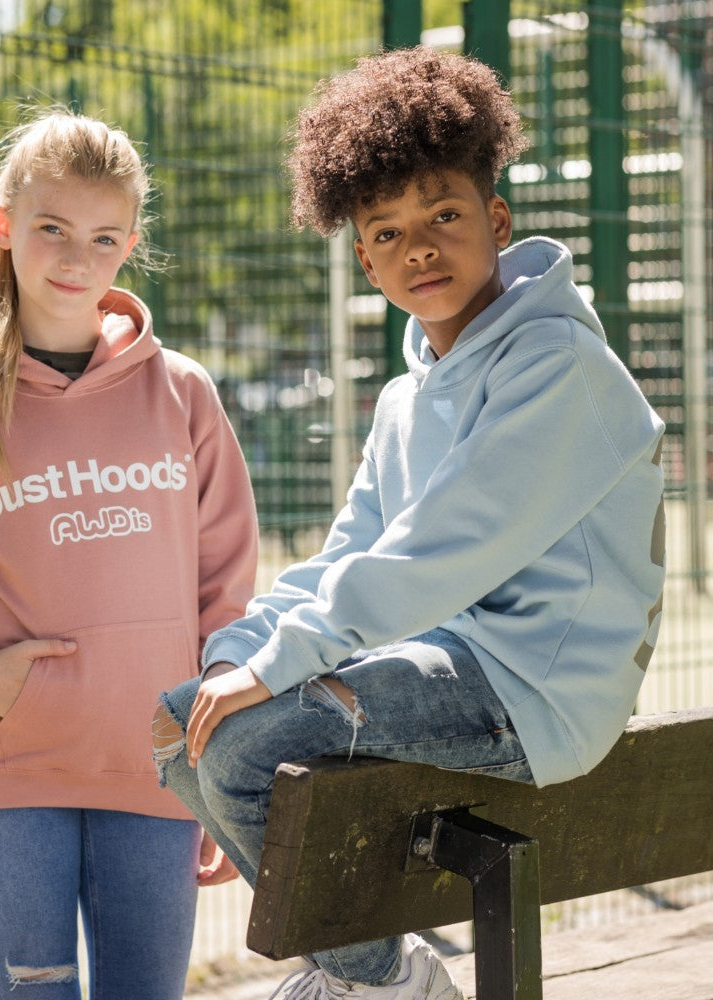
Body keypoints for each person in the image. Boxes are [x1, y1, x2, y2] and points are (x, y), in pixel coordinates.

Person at [153, 46, 666, 1000]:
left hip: (539, 690)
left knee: (245, 743)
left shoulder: (559, 368)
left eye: (443, 216)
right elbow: (352, 551)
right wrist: (241, 651)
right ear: (364, 258)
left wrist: (284, 662)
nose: (418, 248)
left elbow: (441, 555)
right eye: (386, 232)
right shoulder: (404, 398)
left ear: (496, 221)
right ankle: (372, 974)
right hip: (452, 665)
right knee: (179, 723)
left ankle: (381, 984)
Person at [0, 108, 258, 1000]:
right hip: (6, 772)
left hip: (156, 767)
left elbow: (226, 596)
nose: (76, 258)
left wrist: (221, 765)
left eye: (103, 238)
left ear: (130, 247)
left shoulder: (182, 393)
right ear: (3, 226)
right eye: (52, 228)